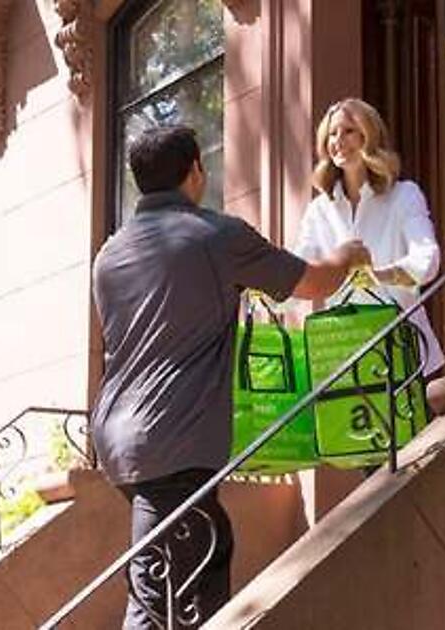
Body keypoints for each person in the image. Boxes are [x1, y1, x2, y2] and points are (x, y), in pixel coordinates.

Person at [91, 125, 371, 629]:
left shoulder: (109, 254)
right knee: (169, 595)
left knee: (193, 562)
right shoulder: (215, 236)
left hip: (119, 436)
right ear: (195, 171)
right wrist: (347, 254)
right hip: (172, 438)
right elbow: (312, 283)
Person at [293, 97, 445, 376]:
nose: (338, 140)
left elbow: (427, 259)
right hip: (344, 357)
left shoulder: (404, 195)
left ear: (369, 135)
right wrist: (264, 283)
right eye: (332, 134)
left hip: (405, 353)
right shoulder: (318, 210)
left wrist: (378, 275)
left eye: (349, 131)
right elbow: (299, 271)